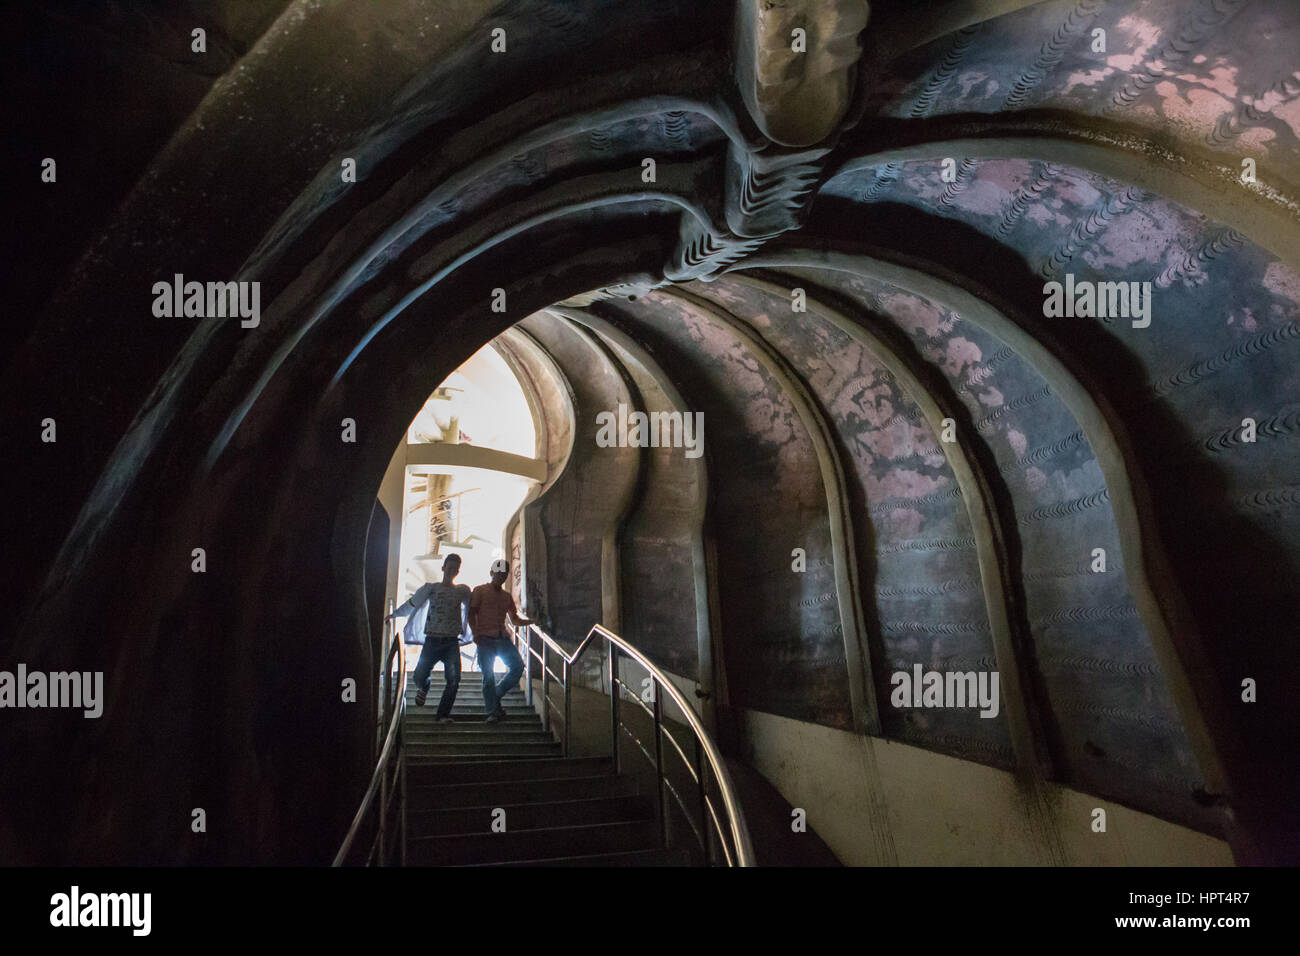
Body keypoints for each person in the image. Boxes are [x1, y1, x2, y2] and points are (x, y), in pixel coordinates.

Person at [388, 553, 471, 722]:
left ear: (458, 572)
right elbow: (412, 603)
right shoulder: (431, 588)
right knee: (419, 676)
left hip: (451, 641)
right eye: (449, 568)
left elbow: (475, 607)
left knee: (454, 679)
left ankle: (442, 715)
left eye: (455, 569)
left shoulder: (462, 591)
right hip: (432, 640)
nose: (452, 571)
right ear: (443, 568)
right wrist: (394, 615)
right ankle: (424, 686)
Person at [467, 558, 532, 722]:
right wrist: (475, 634)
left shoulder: (506, 597)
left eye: (504, 574)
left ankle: (495, 696)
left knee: (518, 667)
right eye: (498, 573)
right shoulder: (480, 591)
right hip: (485, 639)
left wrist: (531, 622)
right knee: (488, 676)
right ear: (491, 573)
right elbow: (471, 613)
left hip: (502, 638)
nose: (501, 576)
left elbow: (514, 619)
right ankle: (492, 711)